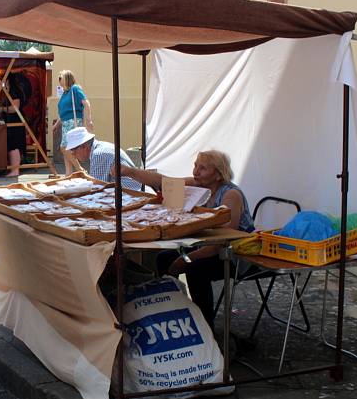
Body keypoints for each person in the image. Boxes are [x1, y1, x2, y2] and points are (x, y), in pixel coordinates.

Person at [121, 150, 255, 330]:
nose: (196, 172)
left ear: (218, 174)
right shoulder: (200, 185)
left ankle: (205, 326)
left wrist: (183, 260)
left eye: (203, 168)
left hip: (234, 255)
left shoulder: (230, 194)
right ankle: (174, 308)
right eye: (195, 166)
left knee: (194, 269)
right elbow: (163, 182)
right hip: (207, 246)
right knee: (163, 258)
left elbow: (222, 241)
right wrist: (129, 172)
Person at [65, 127, 142, 190]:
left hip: (132, 193)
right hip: (130, 190)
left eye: (73, 150)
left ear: (84, 146)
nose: (72, 154)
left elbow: (97, 189)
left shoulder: (98, 155)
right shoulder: (100, 148)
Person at [53, 70, 94, 176]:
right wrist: (57, 125)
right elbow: (63, 113)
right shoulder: (65, 93)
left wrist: (88, 120)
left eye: (61, 78)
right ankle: (68, 174)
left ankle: (79, 169)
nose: (59, 80)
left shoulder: (75, 89)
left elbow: (86, 103)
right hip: (66, 124)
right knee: (69, 150)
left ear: (67, 78)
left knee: (64, 147)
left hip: (73, 122)